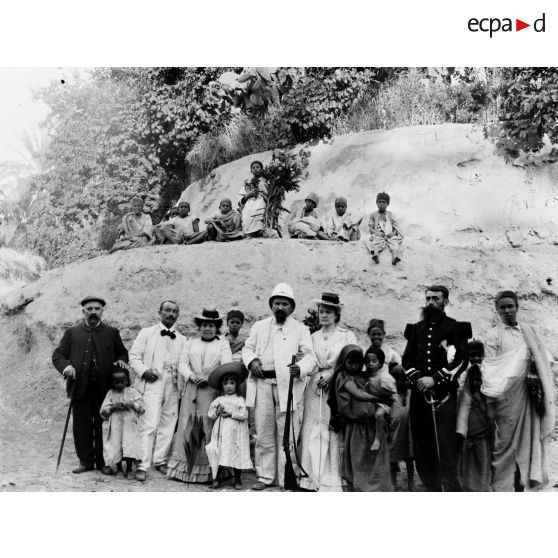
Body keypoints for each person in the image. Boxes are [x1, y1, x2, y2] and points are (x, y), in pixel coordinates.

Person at [242, 283, 317, 490]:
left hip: (288, 387)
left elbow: (311, 358)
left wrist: (300, 368)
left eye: (284, 303)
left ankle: (286, 478)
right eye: (277, 303)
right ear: (271, 306)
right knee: (264, 433)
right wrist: (252, 361)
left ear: (291, 307)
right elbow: (247, 349)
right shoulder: (259, 326)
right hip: (262, 384)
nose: (280, 307)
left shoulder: (301, 329)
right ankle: (265, 477)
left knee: (287, 435)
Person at [482, 290, 555, 492]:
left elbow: (546, 358)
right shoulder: (493, 335)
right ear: (497, 310)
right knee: (504, 446)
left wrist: (533, 369)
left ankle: (524, 486)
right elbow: (491, 369)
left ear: (517, 307)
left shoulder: (529, 331)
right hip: (506, 399)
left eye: (510, 306)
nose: (507, 311)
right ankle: (502, 488)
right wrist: (490, 404)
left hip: (530, 397)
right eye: (502, 307)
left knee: (529, 443)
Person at [402, 285, 471, 491]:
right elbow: (406, 360)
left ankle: (449, 488)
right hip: (419, 395)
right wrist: (419, 379)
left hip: (444, 396)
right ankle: (431, 488)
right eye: (428, 299)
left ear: (445, 302)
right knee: (423, 445)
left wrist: (434, 379)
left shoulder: (455, 327)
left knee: (446, 445)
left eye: (435, 299)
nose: (430, 302)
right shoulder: (416, 328)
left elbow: (461, 360)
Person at [52, 296, 128, 473]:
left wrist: (122, 362)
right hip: (80, 387)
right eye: (89, 309)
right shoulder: (72, 333)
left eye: (97, 308)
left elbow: (122, 353)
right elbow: (58, 355)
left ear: (102, 311)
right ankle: (85, 461)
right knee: (81, 425)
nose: (93, 312)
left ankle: (103, 462)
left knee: (103, 424)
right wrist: (67, 367)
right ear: (83, 311)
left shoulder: (112, 332)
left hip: (104, 388)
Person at [298, 292, 356, 492]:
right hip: (315, 387)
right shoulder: (311, 336)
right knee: (313, 424)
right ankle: (310, 476)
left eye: (328, 312)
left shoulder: (346, 336)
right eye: (321, 311)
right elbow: (309, 360)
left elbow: (353, 362)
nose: (324, 315)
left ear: (336, 314)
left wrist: (332, 375)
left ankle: (331, 478)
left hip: (336, 385)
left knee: (332, 426)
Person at [167, 309, 232, 483]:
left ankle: (211, 471)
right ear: (200, 327)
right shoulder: (190, 342)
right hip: (192, 389)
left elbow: (226, 365)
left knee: (208, 426)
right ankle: (186, 468)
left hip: (212, 389)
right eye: (204, 325)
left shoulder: (222, 344)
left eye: (211, 325)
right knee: (188, 425)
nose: (207, 329)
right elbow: (182, 363)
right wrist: (192, 376)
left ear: (216, 327)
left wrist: (209, 377)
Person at [128, 300, 186, 481]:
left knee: (169, 422)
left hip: (173, 383)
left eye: (174, 311)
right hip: (152, 382)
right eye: (167, 310)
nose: (170, 314)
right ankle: (143, 465)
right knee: (149, 423)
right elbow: (134, 356)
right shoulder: (147, 333)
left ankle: (160, 459)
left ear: (177, 315)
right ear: (159, 312)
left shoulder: (182, 339)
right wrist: (144, 371)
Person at [328, 344, 392, 491]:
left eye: (357, 363)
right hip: (357, 426)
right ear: (343, 361)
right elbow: (357, 394)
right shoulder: (342, 377)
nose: (353, 366)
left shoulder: (362, 376)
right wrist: (380, 398)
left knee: (375, 459)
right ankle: (361, 488)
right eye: (349, 362)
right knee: (359, 460)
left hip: (371, 424)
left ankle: (376, 488)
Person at [367, 318, 414, 490]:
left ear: (384, 335)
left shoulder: (391, 353)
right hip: (375, 394)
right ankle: (380, 476)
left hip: (391, 396)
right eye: (373, 334)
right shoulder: (369, 352)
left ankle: (401, 479)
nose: (376, 337)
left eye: (379, 334)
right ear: (368, 335)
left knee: (396, 437)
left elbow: (400, 372)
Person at [206, 362, 252, 490]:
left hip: (237, 431)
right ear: (222, 386)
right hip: (222, 431)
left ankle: (237, 479)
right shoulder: (219, 400)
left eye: (232, 383)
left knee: (237, 452)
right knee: (221, 452)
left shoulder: (240, 400)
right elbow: (210, 414)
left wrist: (232, 413)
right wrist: (218, 412)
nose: (229, 386)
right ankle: (217, 478)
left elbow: (244, 415)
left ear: (237, 385)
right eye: (226, 383)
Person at [456, 340, 492, 492]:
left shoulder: (488, 373)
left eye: (478, 356)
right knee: (468, 463)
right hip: (468, 429)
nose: (476, 359)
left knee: (483, 462)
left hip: (483, 430)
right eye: (472, 356)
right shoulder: (464, 375)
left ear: (483, 355)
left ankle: (483, 488)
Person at [99, 365, 144, 478]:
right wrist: (112, 407)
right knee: (117, 445)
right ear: (112, 383)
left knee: (129, 446)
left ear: (127, 381)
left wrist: (133, 404)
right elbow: (103, 411)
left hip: (129, 425)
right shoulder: (110, 393)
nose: (119, 385)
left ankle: (129, 469)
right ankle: (119, 469)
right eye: (116, 382)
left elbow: (142, 407)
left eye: (122, 382)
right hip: (116, 426)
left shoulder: (132, 392)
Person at [363, 346, 397, 452]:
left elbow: (395, 392)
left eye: (374, 361)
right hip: (373, 400)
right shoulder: (367, 374)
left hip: (386, 401)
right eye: (368, 361)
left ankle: (377, 439)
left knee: (378, 414)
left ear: (381, 363)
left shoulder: (384, 377)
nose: (371, 364)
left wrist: (393, 402)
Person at [366, 192, 403, 265]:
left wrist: (392, 234)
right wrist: (377, 233)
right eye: (379, 202)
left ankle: (394, 257)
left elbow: (396, 227)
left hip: (389, 235)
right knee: (375, 241)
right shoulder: (373, 215)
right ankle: (376, 256)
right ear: (376, 203)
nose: (381, 204)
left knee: (394, 242)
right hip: (379, 234)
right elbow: (370, 228)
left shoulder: (391, 214)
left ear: (387, 204)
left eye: (384, 202)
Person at [239, 160, 268, 238]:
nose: (255, 169)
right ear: (251, 170)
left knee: (258, 208)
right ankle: (249, 232)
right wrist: (249, 195)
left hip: (262, 202)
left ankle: (259, 231)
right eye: (253, 167)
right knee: (247, 211)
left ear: (262, 169)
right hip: (249, 203)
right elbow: (241, 200)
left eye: (257, 167)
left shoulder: (266, 181)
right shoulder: (248, 183)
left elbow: (269, 194)